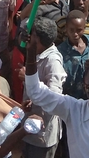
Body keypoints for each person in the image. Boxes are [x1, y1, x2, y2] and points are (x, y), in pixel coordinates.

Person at [22, 17, 67, 158]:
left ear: (39, 39)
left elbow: (55, 96)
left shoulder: (53, 61)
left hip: (43, 134)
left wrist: (27, 78)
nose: (29, 37)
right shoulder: (36, 53)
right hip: (28, 127)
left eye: (32, 35)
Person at [57, 10, 89, 99]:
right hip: (70, 100)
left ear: (84, 28)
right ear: (66, 28)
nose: (75, 34)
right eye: (71, 30)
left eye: (79, 30)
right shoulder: (60, 51)